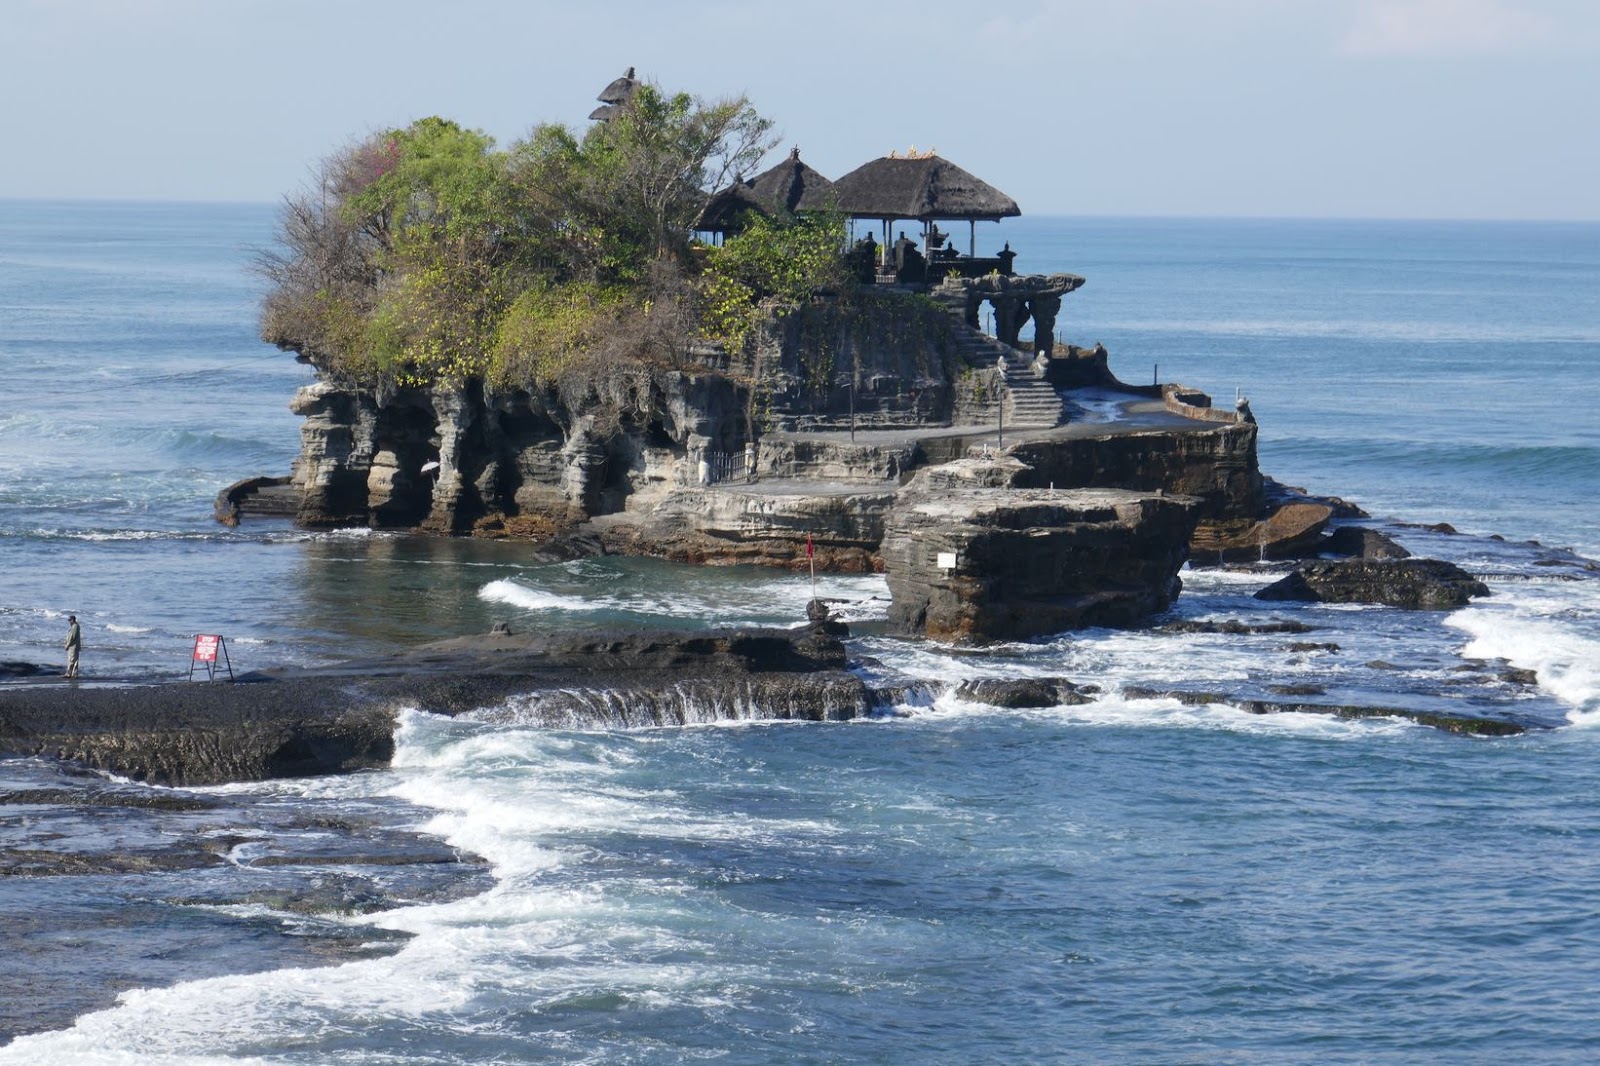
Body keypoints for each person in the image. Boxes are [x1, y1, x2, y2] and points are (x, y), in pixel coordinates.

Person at [64, 614, 81, 679]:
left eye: (70, 620)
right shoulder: (75, 626)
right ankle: (74, 674)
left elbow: (72, 637)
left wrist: (67, 645)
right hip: (75, 646)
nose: (69, 622)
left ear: (73, 620)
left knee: (71, 660)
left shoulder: (75, 626)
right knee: (75, 660)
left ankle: (69, 673)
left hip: (73, 646)